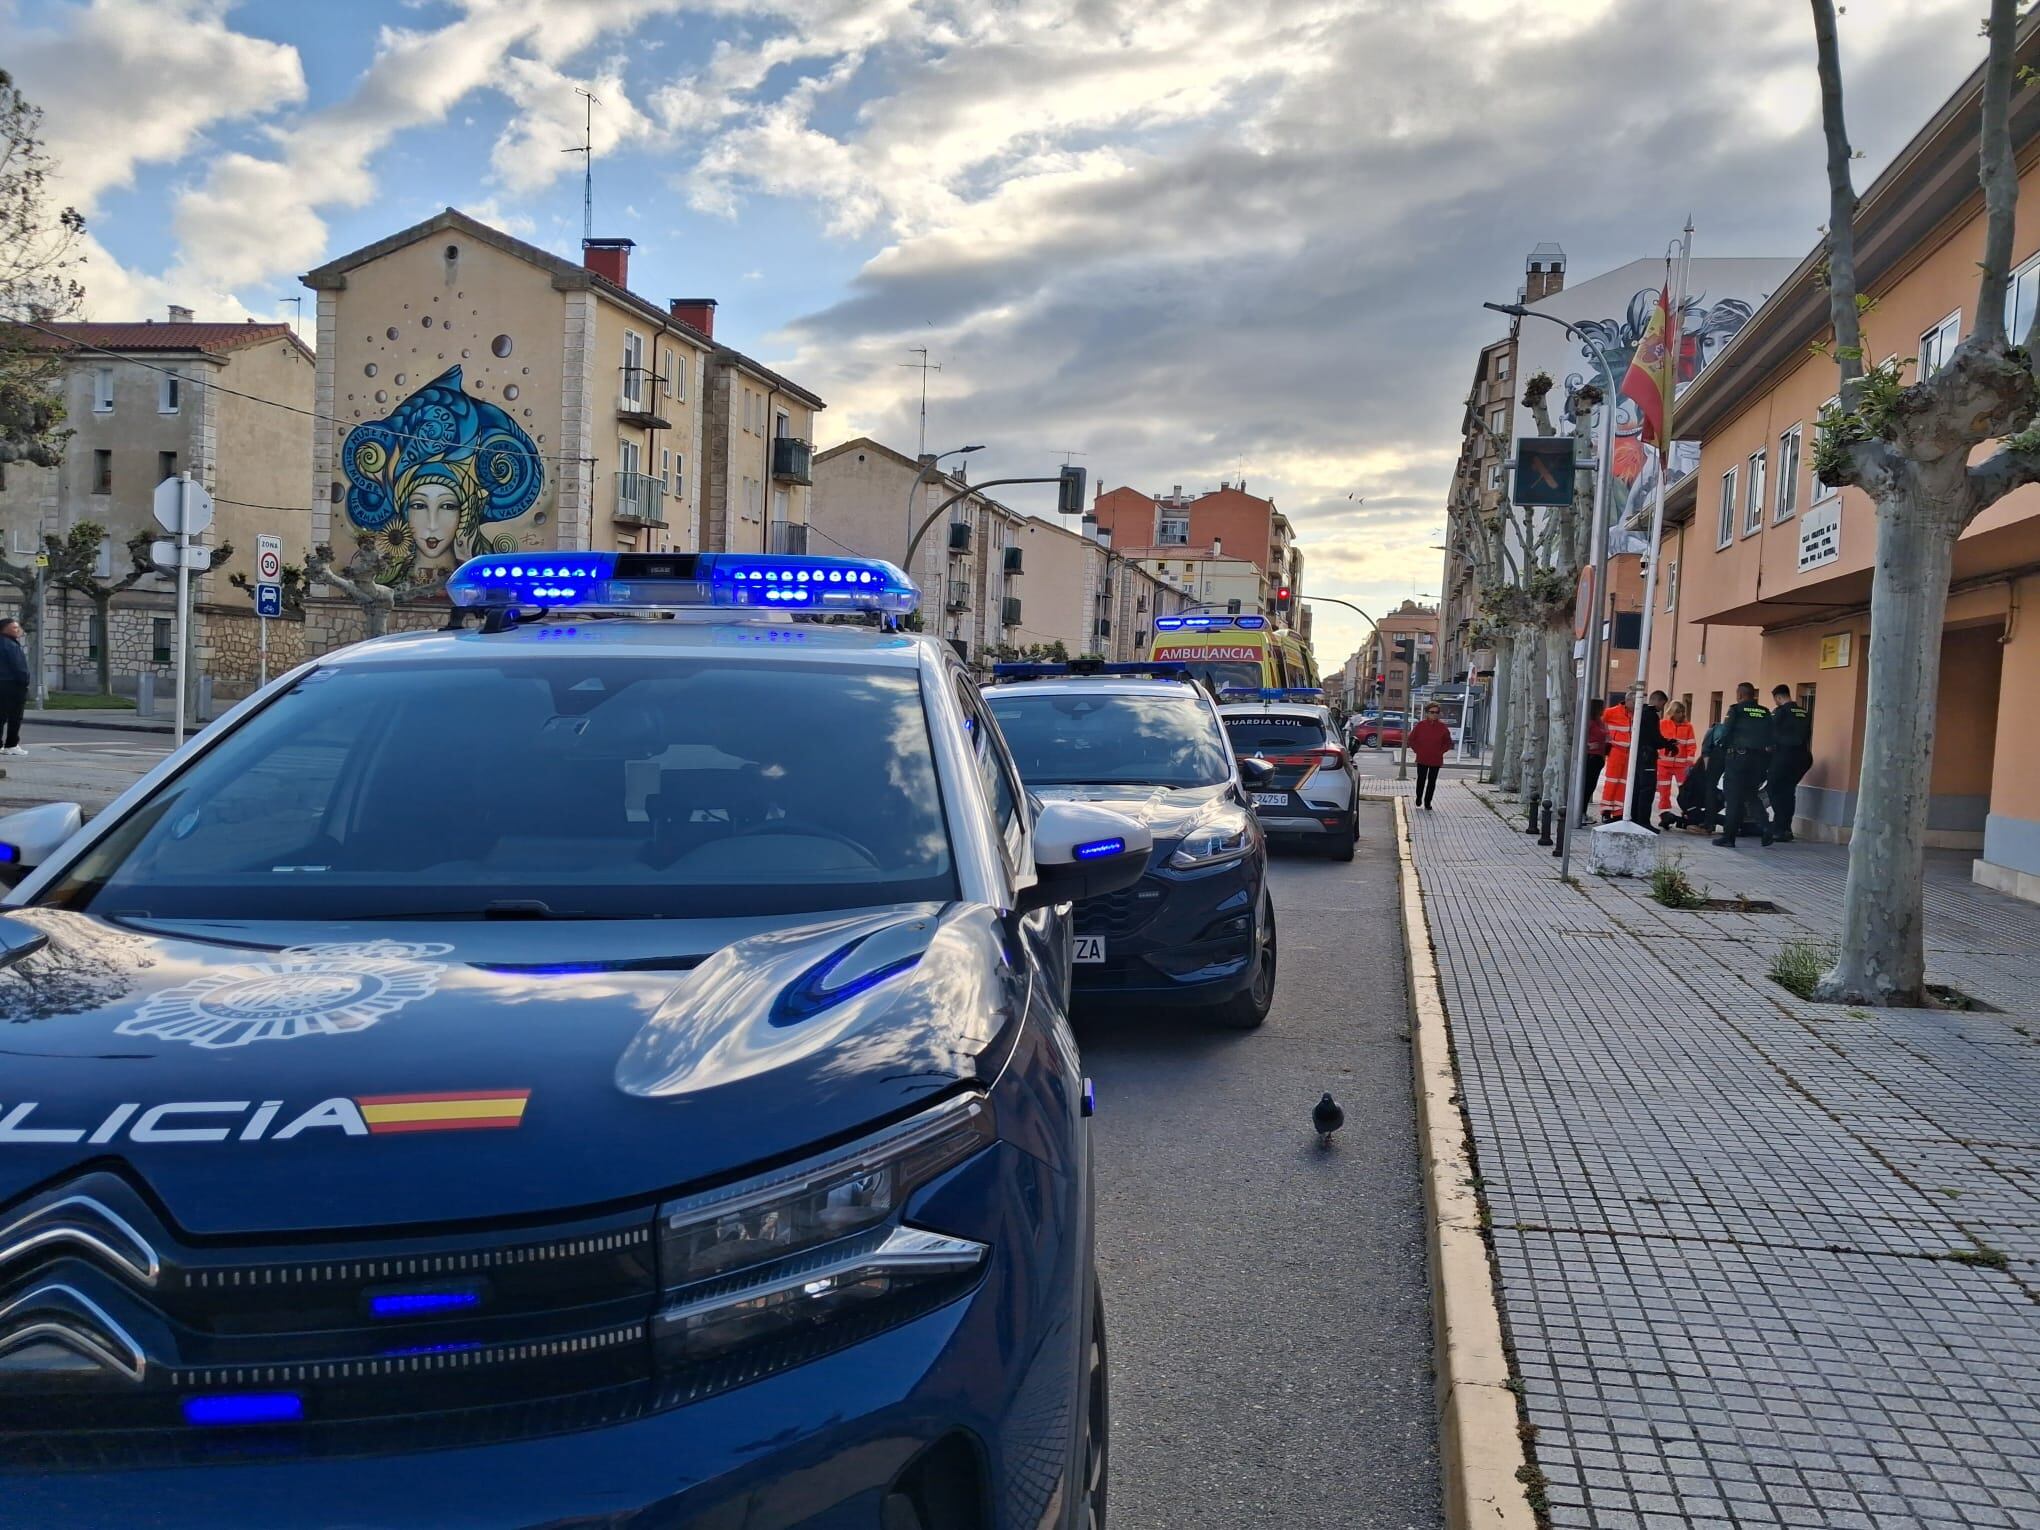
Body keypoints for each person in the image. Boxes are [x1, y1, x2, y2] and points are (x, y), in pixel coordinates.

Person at [1713, 682, 1775, 848]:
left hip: (1738, 759)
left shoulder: (1736, 710)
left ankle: (1729, 837)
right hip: (1758, 761)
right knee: (1751, 795)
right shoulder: (1764, 712)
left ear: (1740, 694)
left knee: (1733, 798)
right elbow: (1771, 737)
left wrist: (1720, 745)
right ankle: (1766, 827)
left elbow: (1725, 733)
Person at [1767, 684, 1813, 842]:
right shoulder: (1804, 712)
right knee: (1788, 791)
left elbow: (1770, 733)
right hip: (1803, 757)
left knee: (1773, 789)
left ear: (1778, 697)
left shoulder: (1780, 712)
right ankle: (1786, 828)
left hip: (1784, 756)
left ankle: (1780, 828)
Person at [1628, 690, 1669, 828]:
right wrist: (1668, 744)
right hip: (1647, 757)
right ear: (1657, 700)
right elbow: (1655, 738)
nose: (1662, 708)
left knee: (1637, 789)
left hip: (1638, 756)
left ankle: (1634, 819)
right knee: (1647, 789)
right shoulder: (1651, 715)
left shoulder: (1640, 712)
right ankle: (1643, 822)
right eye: (1662, 704)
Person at [1656, 699, 1698, 827]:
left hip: (1681, 766)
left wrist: (1689, 763)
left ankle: (1686, 814)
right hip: (1663, 764)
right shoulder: (1662, 724)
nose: (1681, 714)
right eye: (1678, 712)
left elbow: (1691, 745)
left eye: (1683, 712)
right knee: (1664, 791)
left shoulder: (1688, 727)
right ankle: (1664, 815)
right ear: (1672, 712)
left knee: (1685, 792)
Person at [1409, 702, 1452, 811]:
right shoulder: (1420, 725)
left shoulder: (1442, 727)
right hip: (1422, 757)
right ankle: (1419, 798)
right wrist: (1418, 750)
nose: (1434, 715)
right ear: (1427, 713)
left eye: (1437, 712)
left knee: (1432, 782)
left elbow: (1448, 742)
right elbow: (1411, 739)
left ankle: (1428, 802)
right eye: (1432, 712)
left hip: (1436, 759)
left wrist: (1440, 751)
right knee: (1421, 779)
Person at [1598, 694, 1632, 821]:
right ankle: (1606, 809)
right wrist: (1607, 739)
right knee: (1612, 780)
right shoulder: (1612, 712)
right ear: (1628, 701)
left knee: (1623, 783)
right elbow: (1601, 725)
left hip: (1629, 752)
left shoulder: (1636, 714)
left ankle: (1618, 811)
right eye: (1634, 702)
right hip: (1616, 750)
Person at [0, 618, 27, 756]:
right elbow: (18, 666)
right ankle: (11, 744)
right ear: (4, 629)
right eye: (14, 628)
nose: (18, 630)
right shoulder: (10, 645)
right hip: (13, 684)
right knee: (15, 716)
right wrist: (24, 681)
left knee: (1, 715)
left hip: (3, 683)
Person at [1580, 698, 1608, 822]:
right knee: (1586, 786)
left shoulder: (1600, 722)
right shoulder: (1589, 722)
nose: (1604, 709)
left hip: (1599, 758)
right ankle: (1580, 812)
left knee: (1591, 787)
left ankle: (1583, 812)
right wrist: (1589, 745)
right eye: (1602, 707)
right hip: (1590, 757)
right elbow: (1580, 737)